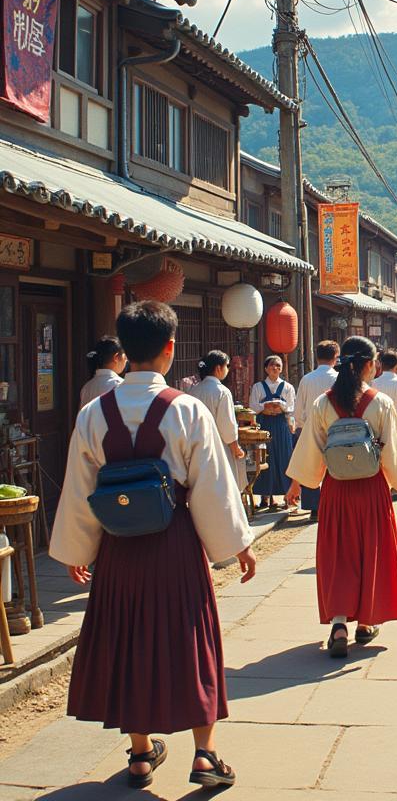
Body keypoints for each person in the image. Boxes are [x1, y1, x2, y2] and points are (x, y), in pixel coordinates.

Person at [51, 301, 256, 791]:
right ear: (169, 349)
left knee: (128, 639)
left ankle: (141, 753)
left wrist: (78, 551)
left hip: (119, 550)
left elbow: (81, 489)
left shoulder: (92, 414)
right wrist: (237, 544)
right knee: (192, 641)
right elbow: (211, 487)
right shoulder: (187, 411)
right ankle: (204, 754)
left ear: (125, 349)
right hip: (175, 545)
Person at [286, 336, 397, 658]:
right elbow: (395, 451)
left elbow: (310, 448)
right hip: (371, 490)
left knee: (339, 554)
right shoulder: (379, 403)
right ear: (369, 365)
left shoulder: (323, 404)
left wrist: (298, 484)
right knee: (372, 551)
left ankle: (339, 622)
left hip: (336, 491)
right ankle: (366, 622)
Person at [292, 340, 341, 522]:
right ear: (335, 357)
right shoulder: (338, 379)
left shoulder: (307, 379)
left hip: (309, 428)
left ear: (317, 356)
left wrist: (299, 425)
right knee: (335, 468)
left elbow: (298, 408)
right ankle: (333, 506)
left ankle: (314, 508)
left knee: (312, 466)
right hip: (335, 430)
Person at [188, 350, 246, 490]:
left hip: (197, 447)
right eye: (227, 366)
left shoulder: (193, 391)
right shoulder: (222, 392)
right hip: (218, 447)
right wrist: (235, 447)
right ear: (219, 368)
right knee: (223, 489)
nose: (228, 369)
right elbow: (227, 426)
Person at [249, 356, 296, 510]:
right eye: (271, 365)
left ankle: (286, 496)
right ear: (265, 368)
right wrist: (266, 406)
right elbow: (253, 406)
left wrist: (279, 405)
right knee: (264, 457)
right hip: (264, 424)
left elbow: (291, 407)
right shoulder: (258, 387)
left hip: (281, 424)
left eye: (278, 365)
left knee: (284, 458)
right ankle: (264, 496)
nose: (274, 368)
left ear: (281, 368)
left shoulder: (288, 387)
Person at [79, 336, 127, 408]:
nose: (126, 361)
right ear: (116, 357)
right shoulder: (120, 385)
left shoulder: (87, 387)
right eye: (125, 357)